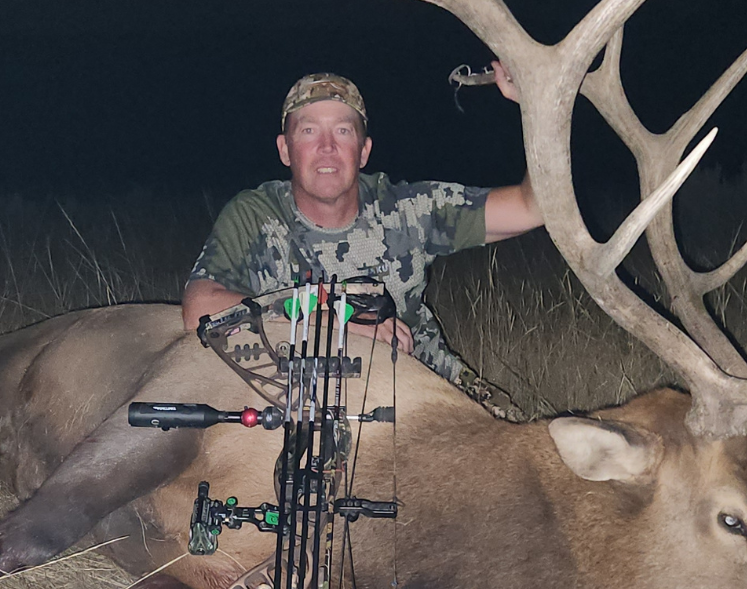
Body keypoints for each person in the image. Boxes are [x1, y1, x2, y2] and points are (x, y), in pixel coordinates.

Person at [182, 63, 543, 387]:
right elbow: (198, 309)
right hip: (298, 400)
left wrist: (538, 105)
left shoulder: (409, 209)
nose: (326, 147)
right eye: (308, 131)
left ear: (364, 150)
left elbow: (532, 206)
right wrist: (335, 318)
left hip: (423, 387)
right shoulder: (255, 215)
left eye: (342, 131)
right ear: (285, 150)